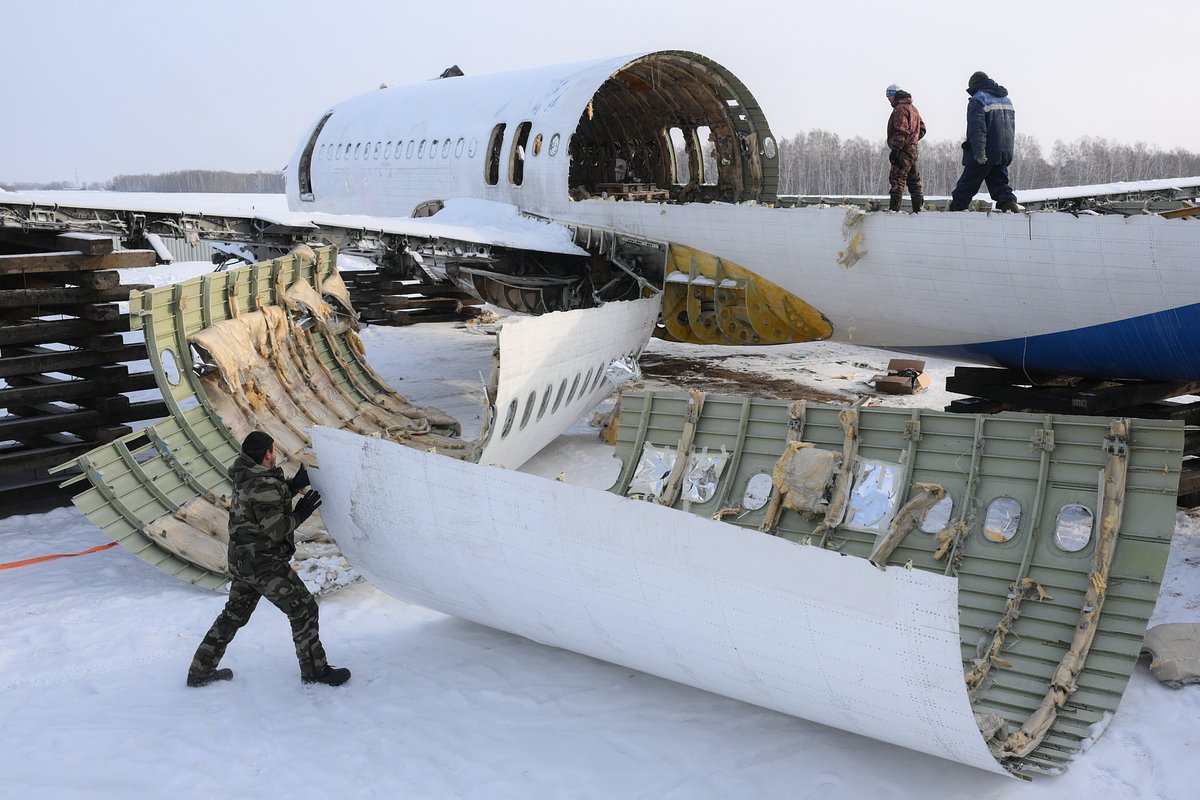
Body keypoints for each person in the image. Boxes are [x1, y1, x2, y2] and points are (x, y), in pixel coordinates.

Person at [186, 431, 350, 688]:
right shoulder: (264, 484)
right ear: (267, 454)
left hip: (242, 561)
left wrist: (292, 487)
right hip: (264, 565)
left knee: (234, 615)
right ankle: (315, 671)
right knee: (303, 609)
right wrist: (301, 512)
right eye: (273, 450)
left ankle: (200, 671)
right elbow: (276, 528)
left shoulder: (246, 474)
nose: (275, 454)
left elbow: (262, 501)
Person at [949, 71, 1020, 212]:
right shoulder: (1006, 100)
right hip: (1003, 152)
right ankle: (1012, 210)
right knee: (1001, 187)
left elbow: (977, 129)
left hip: (985, 152)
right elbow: (1009, 128)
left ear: (975, 86)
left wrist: (979, 153)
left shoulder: (978, 99)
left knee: (966, 185)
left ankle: (955, 213)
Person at [885, 84, 926, 212]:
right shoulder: (913, 109)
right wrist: (913, 141)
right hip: (912, 150)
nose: (888, 99)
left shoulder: (900, 109)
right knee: (914, 180)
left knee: (897, 178)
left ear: (896, 95)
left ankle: (894, 211)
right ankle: (919, 210)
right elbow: (923, 129)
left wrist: (897, 148)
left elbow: (901, 130)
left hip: (903, 149)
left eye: (889, 96)